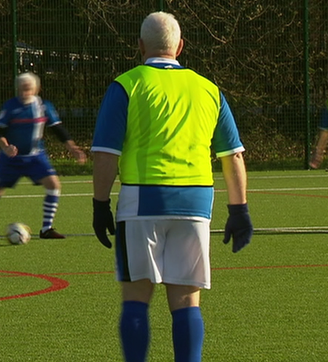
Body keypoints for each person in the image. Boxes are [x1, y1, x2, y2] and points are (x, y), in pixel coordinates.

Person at [91, 12, 253, 362]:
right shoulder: (209, 89)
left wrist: (99, 203)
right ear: (180, 47)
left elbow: (106, 154)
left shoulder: (128, 84)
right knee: (186, 302)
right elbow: (233, 156)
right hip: (195, 203)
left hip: (141, 200)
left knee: (136, 299)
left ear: (140, 47)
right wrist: (239, 210)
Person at [0, 72, 86, 239]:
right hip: (11, 159)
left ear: (36, 89)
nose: (24, 92)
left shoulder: (43, 106)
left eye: (27, 89)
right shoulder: (10, 106)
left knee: (53, 184)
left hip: (35, 156)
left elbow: (58, 129)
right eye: (21, 89)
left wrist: (72, 148)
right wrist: (6, 147)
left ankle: (46, 229)